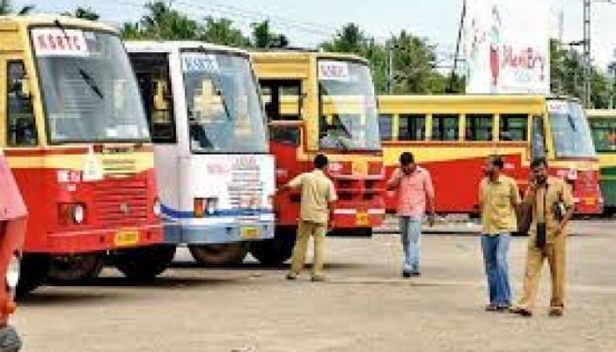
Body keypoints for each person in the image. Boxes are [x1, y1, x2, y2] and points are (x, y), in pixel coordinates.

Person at [510, 157, 574, 317]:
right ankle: (526, 305)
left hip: (555, 234)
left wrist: (561, 225)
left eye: (540, 170)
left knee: (557, 271)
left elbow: (571, 206)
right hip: (535, 233)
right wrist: (531, 190)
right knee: (530, 270)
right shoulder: (532, 188)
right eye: (535, 171)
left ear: (547, 169)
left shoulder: (559, 185)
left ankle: (557, 305)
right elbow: (523, 209)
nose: (538, 174)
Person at [278, 154, 337, 281]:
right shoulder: (328, 182)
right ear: (325, 166)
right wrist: (332, 219)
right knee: (319, 245)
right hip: (321, 218)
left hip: (306, 216)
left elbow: (289, 186)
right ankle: (316, 273)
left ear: (314, 164)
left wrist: (276, 192)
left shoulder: (306, 177)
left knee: (300, 243)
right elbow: (332, 202)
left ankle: (294, 272)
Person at [478, 155, 521, 312]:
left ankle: (505, 299)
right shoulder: (482, 184)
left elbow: (517, 205)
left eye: (487, 165)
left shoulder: (510, 183)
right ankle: (495, 300)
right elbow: (482, 206)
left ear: (497, 167)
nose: (484, 168)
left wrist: (522, 226)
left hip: (504, 229)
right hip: (486, 230)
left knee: (500, 260)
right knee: (490, 267)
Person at [386, 151, 435, 277]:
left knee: (412, 239)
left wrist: (431, 212)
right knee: (405, 240)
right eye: (403, 167)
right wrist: (399, 177)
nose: (406, 169)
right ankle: (415, 265)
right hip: (402, 210)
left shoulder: (424, 173)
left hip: (417, 211)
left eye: (407, 167)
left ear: (413, 164)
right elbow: (389, 187)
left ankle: (408, 264)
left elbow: (430, 193)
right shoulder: (398, 172)